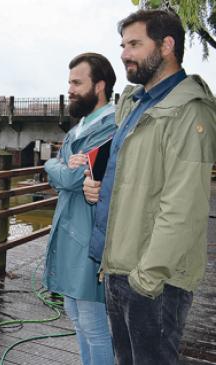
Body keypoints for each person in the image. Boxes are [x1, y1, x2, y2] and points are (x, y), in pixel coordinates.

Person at [83, 9, 216, 364]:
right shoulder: (135, 103)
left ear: (167, 45)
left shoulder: (189, 112)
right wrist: (97, 185)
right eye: (123, 44)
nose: (124, 53)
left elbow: (183, 208)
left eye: (135, 44)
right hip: (118, 266)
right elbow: (130, 175)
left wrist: (146, 280)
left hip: (153, 281)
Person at [42, 53, 117, 365]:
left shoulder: (110, 126)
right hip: (72, 234)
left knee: (93, 325)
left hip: (89, 239)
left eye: (76, 82)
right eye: (69, 82)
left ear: (98, 86)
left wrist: (52, 165)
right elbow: (65, 169)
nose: (69, 89)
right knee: (76, 318)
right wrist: (56, 163)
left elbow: (73, 176)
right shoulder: (83, 125)